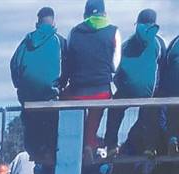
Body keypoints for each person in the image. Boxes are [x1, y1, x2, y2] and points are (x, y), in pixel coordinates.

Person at [10, 7, 67, 163]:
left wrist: (20, 86)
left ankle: (36, 155)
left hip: (27, 98)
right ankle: (49, 156)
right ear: (54, 23)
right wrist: (61, 85)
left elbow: (14, 64)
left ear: (37, 23)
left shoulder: (26, 42)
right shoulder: (59, 41)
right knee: (51, 135)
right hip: (50, 97)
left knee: (33, 134)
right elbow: (68, 66)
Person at [105, 9, 166, 154]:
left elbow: (116, 71)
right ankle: (150, 147)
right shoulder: (159, 42)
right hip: (150, 94)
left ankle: (111, 145)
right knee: (153, 109)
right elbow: (163, 68)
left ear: (137, 23)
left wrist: (123, 86)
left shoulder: (125, 45)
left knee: (114, 109)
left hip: (126, 91)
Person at [66, 0, 122, 150]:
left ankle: (75, 143)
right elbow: (115, 65)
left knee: (68, 106)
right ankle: (89, 143)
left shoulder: (74, 32)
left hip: (77, 91)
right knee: (95, 114)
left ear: (85, 14)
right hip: (101, 91)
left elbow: (68, 60)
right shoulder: (114, 32)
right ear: (104, 13)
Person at [161, 33, 179, 153]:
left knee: (172, 113)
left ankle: (173, 139)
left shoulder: (175, 42)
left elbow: (165, 63)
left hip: (173, 85)